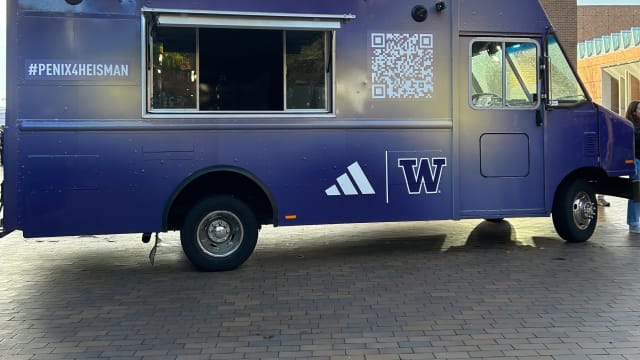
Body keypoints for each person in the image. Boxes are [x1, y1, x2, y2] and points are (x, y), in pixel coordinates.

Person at [626, 100, 640, 233]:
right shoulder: (631, 126)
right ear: (633, 111)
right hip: (636, 161)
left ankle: (635, 221)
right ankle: (634, 223)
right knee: (636, 193)